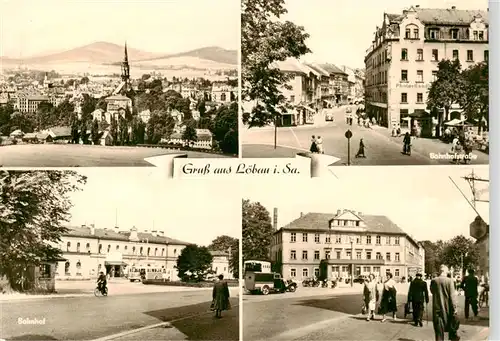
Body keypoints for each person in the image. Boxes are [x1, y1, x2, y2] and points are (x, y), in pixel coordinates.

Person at [430, 265, 460, 341]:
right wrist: (455, 308)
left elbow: (432, 291)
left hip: (437, 309)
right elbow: (452, 297)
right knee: (452, 327)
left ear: (439, 271)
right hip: (448, 309)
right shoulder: (450, 281)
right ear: (446, 271)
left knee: (438, 332)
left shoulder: (434, 281)